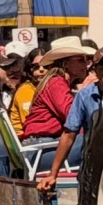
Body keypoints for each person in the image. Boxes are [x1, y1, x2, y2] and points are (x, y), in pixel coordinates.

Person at [37, 46, 103, 191]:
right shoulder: (82, 94)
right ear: (95, 70)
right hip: (91, 160)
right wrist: (53, 174)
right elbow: (69, 133)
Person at [21, 36, 94, 171]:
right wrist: (85, 89)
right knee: (96, 139)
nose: (86, 65)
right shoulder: (56, 83)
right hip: (40, 150)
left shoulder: (57, 82)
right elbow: (72, 116)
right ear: (65, 64)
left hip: (43, 146)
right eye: (81, 60)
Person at [9, 48, 44, 135]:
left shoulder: (51, 86)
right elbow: (30, 122)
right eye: (36, 66)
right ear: (30, 69)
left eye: (46, 66)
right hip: (27, 137)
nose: (41, 69)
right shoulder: (25, 90)